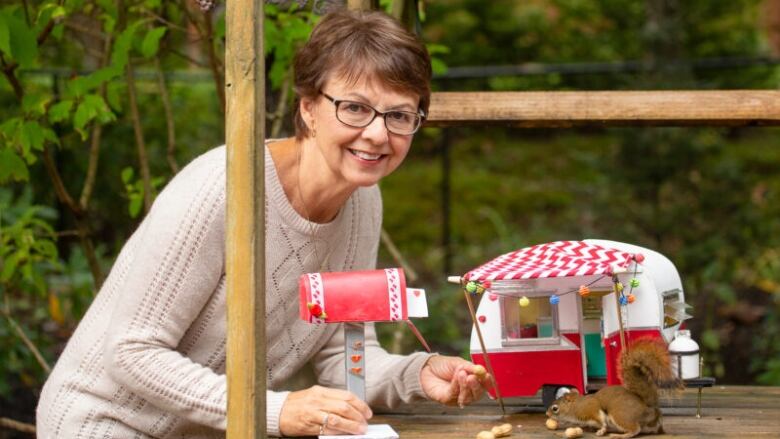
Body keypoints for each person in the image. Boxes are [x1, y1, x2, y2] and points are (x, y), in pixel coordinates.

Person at [36, 9, 490, 438]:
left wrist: (418, 374)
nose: (376, 133)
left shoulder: (364, 201)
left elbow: (343, 356)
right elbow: (132, 352)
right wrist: (275, 410)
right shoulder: (224, 187)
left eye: (399, 116)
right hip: (106, 422)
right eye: (354, 108)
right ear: (309, 108)